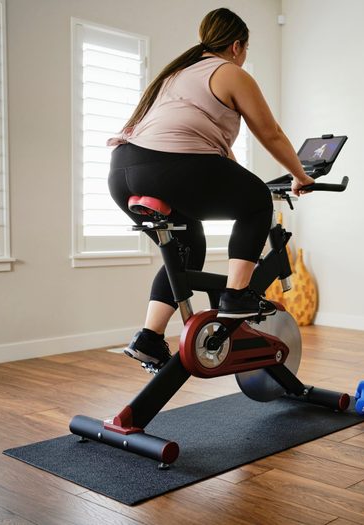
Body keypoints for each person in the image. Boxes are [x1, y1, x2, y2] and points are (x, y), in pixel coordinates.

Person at [107, 8, 314, 370]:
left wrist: (238, 178)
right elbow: (271, 133)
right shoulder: (231, 72)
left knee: (188, 246)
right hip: (169, 167)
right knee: (256, 202)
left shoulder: (177, 74)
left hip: (123, 171)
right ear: (237, 46)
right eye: (246, 50)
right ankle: (236, 296)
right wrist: (300, 175)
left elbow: (214, 151)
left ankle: (149, 338)